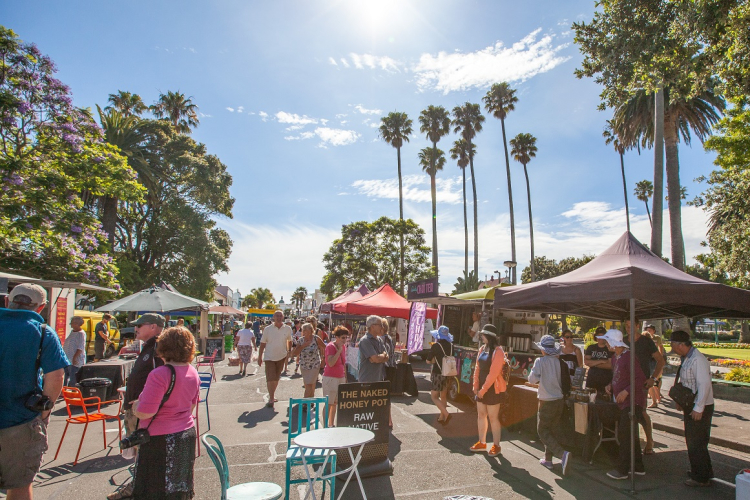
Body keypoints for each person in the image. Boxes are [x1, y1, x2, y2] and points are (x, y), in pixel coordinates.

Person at [0, 284, 68, 500]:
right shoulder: (42, 332)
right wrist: (44, 412)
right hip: (20, 421)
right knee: (19, 486)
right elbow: (56, 376)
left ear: (7, 301)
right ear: (42, 307)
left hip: (17, 419)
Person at [131, 326, 200, 499]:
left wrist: (135, 406)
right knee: (178, 486)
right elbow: (191, 406)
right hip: (185, 434)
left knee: (156, 488)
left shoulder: (160, 374)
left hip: (160, 439)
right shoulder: (193, 372)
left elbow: (145, 412)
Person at [109, 313, 166, 500]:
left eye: (140, 325)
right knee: (138, 451)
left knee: (143, 450)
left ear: (153, 327)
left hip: (143, 410)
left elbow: (162, 376)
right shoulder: (148, 346)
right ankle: (139, 485)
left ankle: (140, 487)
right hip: (137, 408)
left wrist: (147, 400)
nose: (136, 328)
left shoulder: (158, 347)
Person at [598, 329, 647, 480]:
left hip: (633, 402)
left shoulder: (629, 357)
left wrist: (626, 391)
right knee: (631, 434)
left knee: (626, 436)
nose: (605, 344)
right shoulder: (616, 358)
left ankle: (622, 470)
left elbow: (640, 379)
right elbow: (618, 376)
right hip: (624, 402)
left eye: (607, 341)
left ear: (614, 342)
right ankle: (638, 466)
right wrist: (610, 385)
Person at [669, 330, 714, 487]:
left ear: (681, 345)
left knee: (696, 442)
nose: (672, 348)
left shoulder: (697, 359)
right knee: (694, 440)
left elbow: (704, 384)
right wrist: (681, 400)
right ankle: (703, 471)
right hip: (691, 404)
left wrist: (699, 408)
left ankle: (701, 477)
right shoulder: (687, 358)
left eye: (673, 345)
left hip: (700, 406)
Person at [528, 334, 572, 475]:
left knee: (542, 431)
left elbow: (532, 379)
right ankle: (548, 460)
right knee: (551, 430)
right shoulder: (560, 362)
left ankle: (562, 454)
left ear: (543, 350)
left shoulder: (540, 361)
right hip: (559, 400)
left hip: (546, 401)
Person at [623, 319, 664, 454]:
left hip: (641, 383)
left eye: (631, 325)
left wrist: (653, 378)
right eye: (626, 326)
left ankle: (649, 441)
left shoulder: (646, 342)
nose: (628, 328)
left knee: (641, 412)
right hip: (625, 383)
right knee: (625, 411)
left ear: (638, 326)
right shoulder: (623, 341)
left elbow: (660, 360)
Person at [470, 325, 507, 457]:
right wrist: (475, 386)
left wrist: (482, 390)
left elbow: (493, 374)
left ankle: (496, 445)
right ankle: (482, 442)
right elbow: (477, 368)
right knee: (481, 415)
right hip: (481, 388)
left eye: (483, 334)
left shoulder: (498, 352)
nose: (481, 336)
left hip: (492, 389)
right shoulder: (482, 349)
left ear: (489, 336)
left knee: (493, 417)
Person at [257, 310, 292, 409]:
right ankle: (271, 398)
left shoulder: (287, 328)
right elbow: (263, 343)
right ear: (273, 317)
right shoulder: (268, 329)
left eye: (280, 316)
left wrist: (289, 351)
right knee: (270, 377)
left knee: (276, 378)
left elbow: (289, 340)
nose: (279, 317)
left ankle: (272, 394)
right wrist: (259, 356)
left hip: (281, 356)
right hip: (269, 357)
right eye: (277, 315)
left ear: (283, 317)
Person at [288, 323, 325, 399]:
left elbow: (324, 347)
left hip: (315, 364)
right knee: (308, 384)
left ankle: (305, 401)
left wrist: (323, 358)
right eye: (303, 329)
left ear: (311, 330)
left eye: (306, 329)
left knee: (310, 383)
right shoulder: (301, 340)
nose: (304, 331)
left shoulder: (316, 338)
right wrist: (303, 346)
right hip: (304, 365)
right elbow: (295, 353)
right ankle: (311, 400)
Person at [426, 325, 453, 425]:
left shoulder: (436, 346)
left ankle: (446, 414)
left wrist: (434, 360)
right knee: (443, 396)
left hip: (438, 373)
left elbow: (428, 360)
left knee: (434, 396)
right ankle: (442, 417)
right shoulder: (451, 346)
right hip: (448, 373)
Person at [323, 326, 349, 427]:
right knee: (329, 403)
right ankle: (325, 425)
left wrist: (345, 377)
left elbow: (343, 363)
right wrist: (338, 351)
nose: (344, 340)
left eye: (346, 337)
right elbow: (330, 363)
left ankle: (331, 424)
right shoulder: (330, 346)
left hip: (340, 377)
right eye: (342, 337)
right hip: (330, 377)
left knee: (335, 403)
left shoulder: (343, 347)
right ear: (337, 337)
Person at [358, 315, 388, 383]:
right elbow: (376, 359)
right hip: (367, 381)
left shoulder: (379, 340)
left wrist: (378, 358)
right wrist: (382, 356)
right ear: (372, 326)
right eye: (380, 325)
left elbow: (387, 357)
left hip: (379, 380)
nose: (382, 327)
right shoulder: (365, 340)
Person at [584, 326, 613, 392]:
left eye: (602, 336)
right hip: (592, 378)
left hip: (605, 379)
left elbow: (610, 365)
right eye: (598, 336)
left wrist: (594, 364)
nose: (600, 339)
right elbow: (586, 362)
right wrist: (602, 361)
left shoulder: (609, 349)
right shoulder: (591, 347)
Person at [643, 325, 666, 407]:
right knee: (654, 382)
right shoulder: (646, 345)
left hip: (653, 362)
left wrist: (660, 356)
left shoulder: (655, 340)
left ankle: (656, 399)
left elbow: (660, 348)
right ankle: (656, 398)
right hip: (650, 363)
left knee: (653, 381)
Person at [63, 316, 86, 387]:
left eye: (73, 323)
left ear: (77, 324)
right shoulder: (72, 332)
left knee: (73, 379)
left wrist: (74, 358)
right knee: (65, 377)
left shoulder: (81, 334)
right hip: (67, 359)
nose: (71, 325)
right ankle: (64, 392)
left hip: (74, 360)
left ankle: (72, 393)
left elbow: (80, 347)